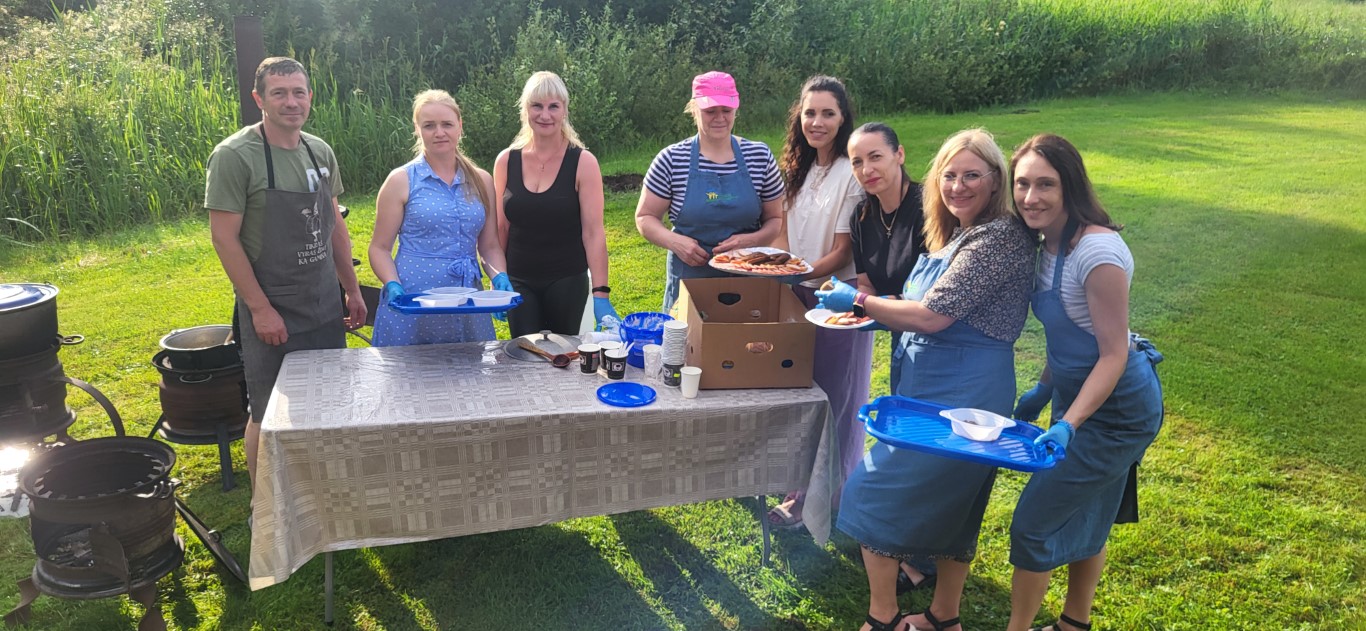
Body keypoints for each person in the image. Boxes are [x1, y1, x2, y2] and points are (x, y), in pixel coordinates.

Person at [818, 128, 1034, 631]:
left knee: (872, 490)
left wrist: (859, 301)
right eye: (949, 175)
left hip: (965, 390)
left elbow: (933, 317)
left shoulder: (998, 238)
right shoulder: (958, 233)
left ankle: (884, 619)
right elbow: (919, 304)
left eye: (971, 175)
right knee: (954, 504)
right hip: (929, 384)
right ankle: (942, 618)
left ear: (996, 178)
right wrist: (873, 312)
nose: (957, 186)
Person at [1005, 134, 1164, 631]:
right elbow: (1068, 338)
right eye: (1022, 184)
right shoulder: (1046, 245)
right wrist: (1044, 388)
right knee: (1088, 512)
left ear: (1070, 186)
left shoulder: (1098, 253)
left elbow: (1112, 354)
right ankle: (1074, 624)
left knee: (1033, 523)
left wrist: (1069, 424)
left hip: (1118, 412)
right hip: (1075, 395)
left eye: (1045, 185)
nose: (1031, 197)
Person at [205, 57, 367, 487]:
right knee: (267, 410)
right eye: (279, 93)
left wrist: (351, 289)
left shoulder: (320, 151)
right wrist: (260, 310)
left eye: (298, 92)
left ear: (309, 97)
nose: (291, 102)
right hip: (271, 303)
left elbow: (334, 227)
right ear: (259, 99)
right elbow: (224, 239)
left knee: (327, 400)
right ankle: (264, 505)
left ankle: (322, 489)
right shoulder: (234, 156)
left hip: (322, 299)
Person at [764, 76, 868, 531]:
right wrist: (780, 269)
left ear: (843, 118)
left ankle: (823, 497)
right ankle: (800, 484)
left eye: (828, 113)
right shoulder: (798, 168)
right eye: (810, 113)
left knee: (834, 397)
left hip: (837, 297)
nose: (817, 122)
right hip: (799, 290)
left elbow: (843, 252)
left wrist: (798, 275)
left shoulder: (851, 172)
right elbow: (784, 235)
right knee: (801, 391)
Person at [844, 121, 937, 593]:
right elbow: (865, 283)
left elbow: (932, 295)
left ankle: (922, 557)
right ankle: (906, 546)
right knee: (909, 438)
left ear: (899, 154)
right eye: (857, 161)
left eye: (875, 156)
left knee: (924, 445)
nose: (867, 169)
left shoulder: (931, 207)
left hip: (938, 340)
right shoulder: (862, 216)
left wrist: (864, 304)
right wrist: (855, 306)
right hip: (901, 336)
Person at [635, 70, 785, 311]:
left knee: (744, 335)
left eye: (726, 110)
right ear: (694, 109)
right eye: (710, 111)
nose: (719, 118)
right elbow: (645, 217)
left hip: (749, 277)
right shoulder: (672, 159)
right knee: (690, 334)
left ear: (736, 109)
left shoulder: (759, 156)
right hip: (690, 278)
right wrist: (676, 242)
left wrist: (751, 241)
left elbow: (775, 219)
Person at [369, 89, 508, 346]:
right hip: (414, 298)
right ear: (417, 129)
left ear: (460, 126)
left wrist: (499, 276)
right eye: (429, 125)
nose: (439, 132)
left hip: (467, 300)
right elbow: (379, 248)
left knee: (467, 367)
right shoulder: (401, 180)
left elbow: (489, 246)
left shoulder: (481, 180)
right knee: (412, 369)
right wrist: (392, 283)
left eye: (447, 124)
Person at [494, 71, 617, 337]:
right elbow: (501, 228)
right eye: (536, 106)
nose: (545, 115)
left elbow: (593, 232)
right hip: (518, 280)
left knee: (564, 356)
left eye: (553, 106)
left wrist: (601, 294)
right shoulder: (506, 161)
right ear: (525, 110)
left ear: (564, 110)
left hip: (566, 279)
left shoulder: (583, 162)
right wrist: (497, 277)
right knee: (524, 352)